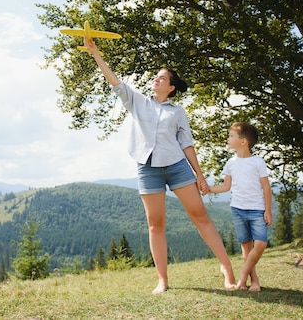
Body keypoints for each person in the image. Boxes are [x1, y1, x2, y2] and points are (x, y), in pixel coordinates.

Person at [82, 36, 237, 294]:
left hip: (177, 167)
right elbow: (115, 82)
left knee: (200, 216)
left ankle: (227, 269)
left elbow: (187, 145)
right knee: (155, 223)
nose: (156, 79)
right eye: (156, 76)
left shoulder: (178, 112)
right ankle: (162, 280)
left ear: (172, 87)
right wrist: (95, 53)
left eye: (162, 78)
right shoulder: (138, 102)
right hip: (147, 168)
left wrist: (199, 176)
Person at [208, 122, 273, 291]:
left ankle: (243, 275)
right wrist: (209, 190)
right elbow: (225, 186)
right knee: (246, 246)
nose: (228, 139)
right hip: (237, 209)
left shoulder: (258, 162)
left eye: (231, 136)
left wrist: (268, 210)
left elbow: (266, 187)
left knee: (260, 243)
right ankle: (254, 280)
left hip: (257, 209)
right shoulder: (230, 163)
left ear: (243, 141)